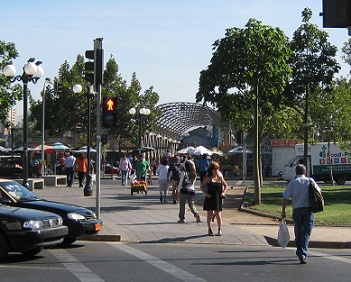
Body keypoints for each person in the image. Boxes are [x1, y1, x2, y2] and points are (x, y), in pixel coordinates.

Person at [281, 164, 321, 264]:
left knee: (298, 233)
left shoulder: (292, 183)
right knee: (306, 233)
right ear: (305, 172)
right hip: (308, 210)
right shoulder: (310, 181)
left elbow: (286, 198)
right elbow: (319, 192)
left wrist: (283, 211)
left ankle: (300, 251)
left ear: (296, 172)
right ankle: (302, 254)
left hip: (297, 211)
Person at [200, 162, 228, 236]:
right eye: (215, 169)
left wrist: (223, 193)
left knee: (218, 214)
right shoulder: (208, 178)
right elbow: (202, 186)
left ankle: (219, 229)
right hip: (210, 197)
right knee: (209, 214)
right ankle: (209, 229)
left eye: (217, 169)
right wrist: (206, 194)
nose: (216, 171)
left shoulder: (220, 178)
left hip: (218, 198)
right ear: (211, 170)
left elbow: (226, 186)